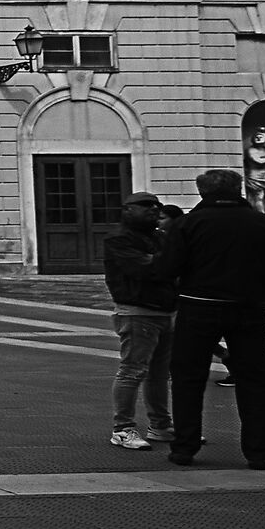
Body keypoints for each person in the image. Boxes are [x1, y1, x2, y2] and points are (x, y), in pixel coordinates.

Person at [149, 168, 265, 468]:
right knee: (254, 381)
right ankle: (260, 452)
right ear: (239, 190)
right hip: (248, 309)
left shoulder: (187, 225)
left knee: (187, 379)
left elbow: (165, 269)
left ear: (202, 192)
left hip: (197, 307)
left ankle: (184, 448)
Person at [101, 192, 177, 449]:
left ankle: (161, 425)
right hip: (137, 311)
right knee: (132, 371)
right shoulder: (119, 239)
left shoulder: (159, 237)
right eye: (145, 205)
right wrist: (173, 263)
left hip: (165, 310)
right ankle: (122, 428)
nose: (154, 209)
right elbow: (145, 268)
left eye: (156, 205)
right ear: (127, 210)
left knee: (159, 374)